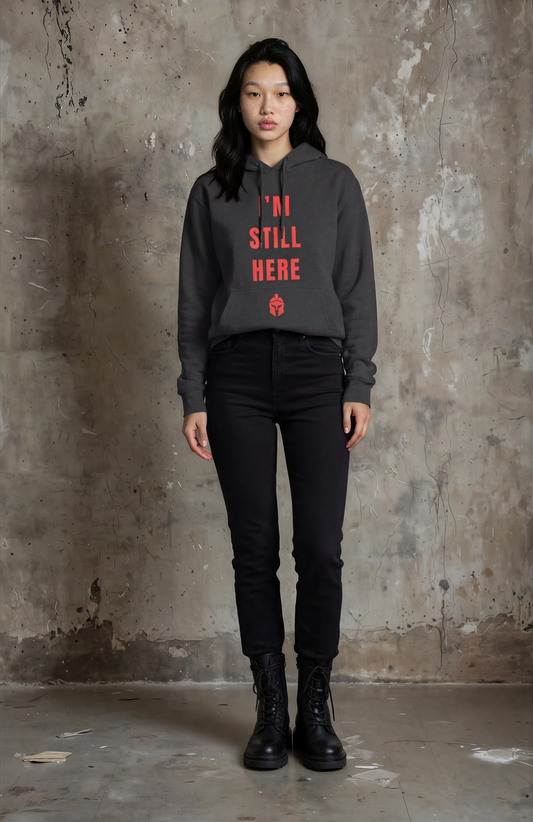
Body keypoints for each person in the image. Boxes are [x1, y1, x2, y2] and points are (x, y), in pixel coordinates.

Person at [177, 38, 377, 772]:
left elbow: (356, 290)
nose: (268, 106)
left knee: (319, 547)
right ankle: (269, 709)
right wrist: (193, 393)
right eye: (254, 92)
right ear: (237, 103)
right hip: (235, 377)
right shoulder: (212, 191)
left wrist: (358, 385)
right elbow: (195, 300)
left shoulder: (334, 184)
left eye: (282, 93)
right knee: (254, 548)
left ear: (299, 103)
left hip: (316, 373)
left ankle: (314, 709)